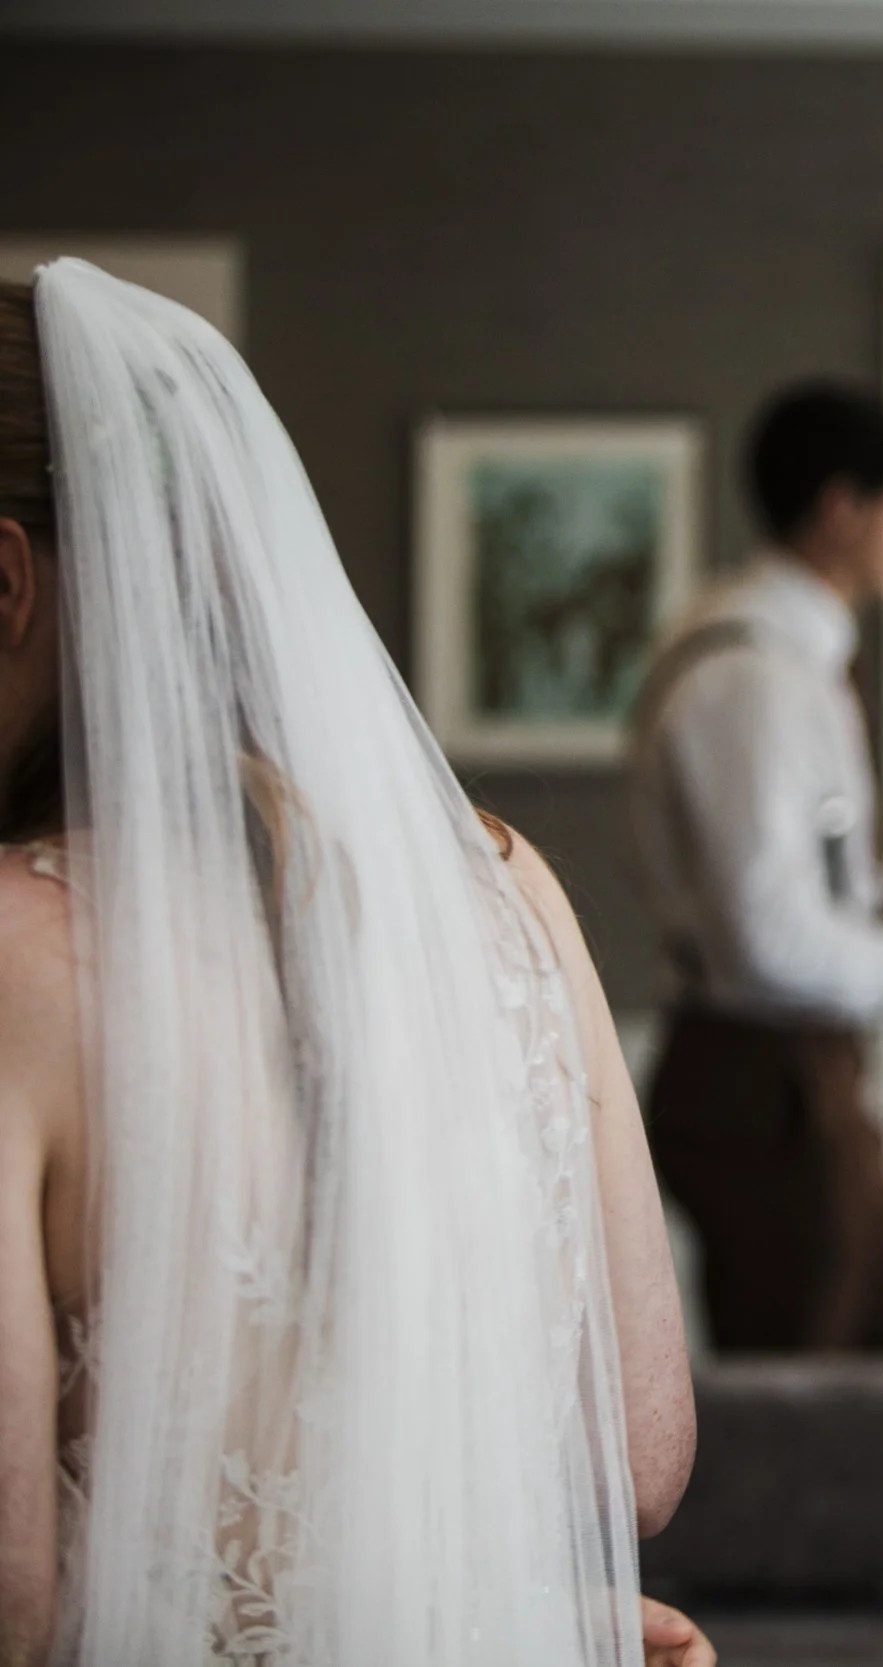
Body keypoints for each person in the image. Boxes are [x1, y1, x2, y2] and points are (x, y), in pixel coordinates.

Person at [0, 264, 711, 1665]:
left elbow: (10, 1593)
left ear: (4, 579)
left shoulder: (14, 961)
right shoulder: (505, 891)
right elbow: (635, 1456)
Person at [628, 382, 883, 1353]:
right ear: (841, 508)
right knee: (809, 1421)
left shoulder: (787, 664)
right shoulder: (754, 681)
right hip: (764, 1089)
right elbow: (768, 942)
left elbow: (800, 897)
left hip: (796, 1083)